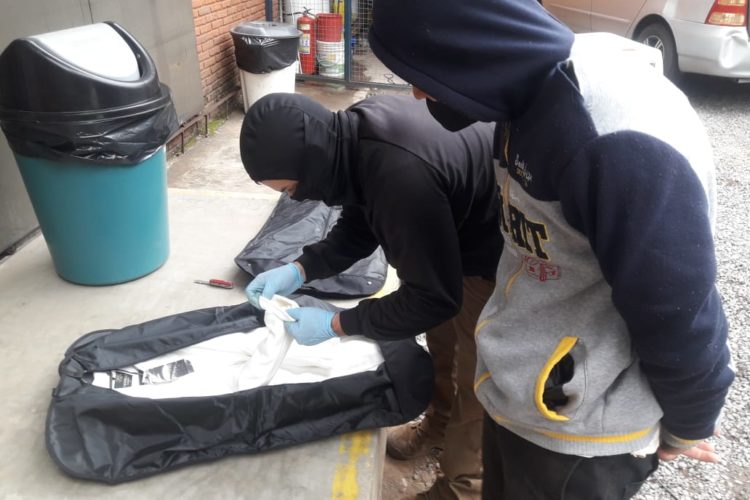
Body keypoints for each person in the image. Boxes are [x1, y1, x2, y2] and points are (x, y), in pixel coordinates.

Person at [368, 1, 735, 499]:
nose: (417, 92)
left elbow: (677, 305)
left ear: (464, 45)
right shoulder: (523, 89)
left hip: (577, 432)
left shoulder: (612, 139)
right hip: (520, 389)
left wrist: (691, 419)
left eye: (419, 74)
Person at [240, 92, 502, 499]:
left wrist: (337, 323)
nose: (294, 198)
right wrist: (299, 269)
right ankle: (438, 426)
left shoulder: (399, 174)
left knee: (477, 378)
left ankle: (463, 487)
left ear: (310, 163)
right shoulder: (351, 140)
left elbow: (433, 298)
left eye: (291, 188)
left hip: (493, 252)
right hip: (452, 230)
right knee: (442, 341)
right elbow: (360, 227)